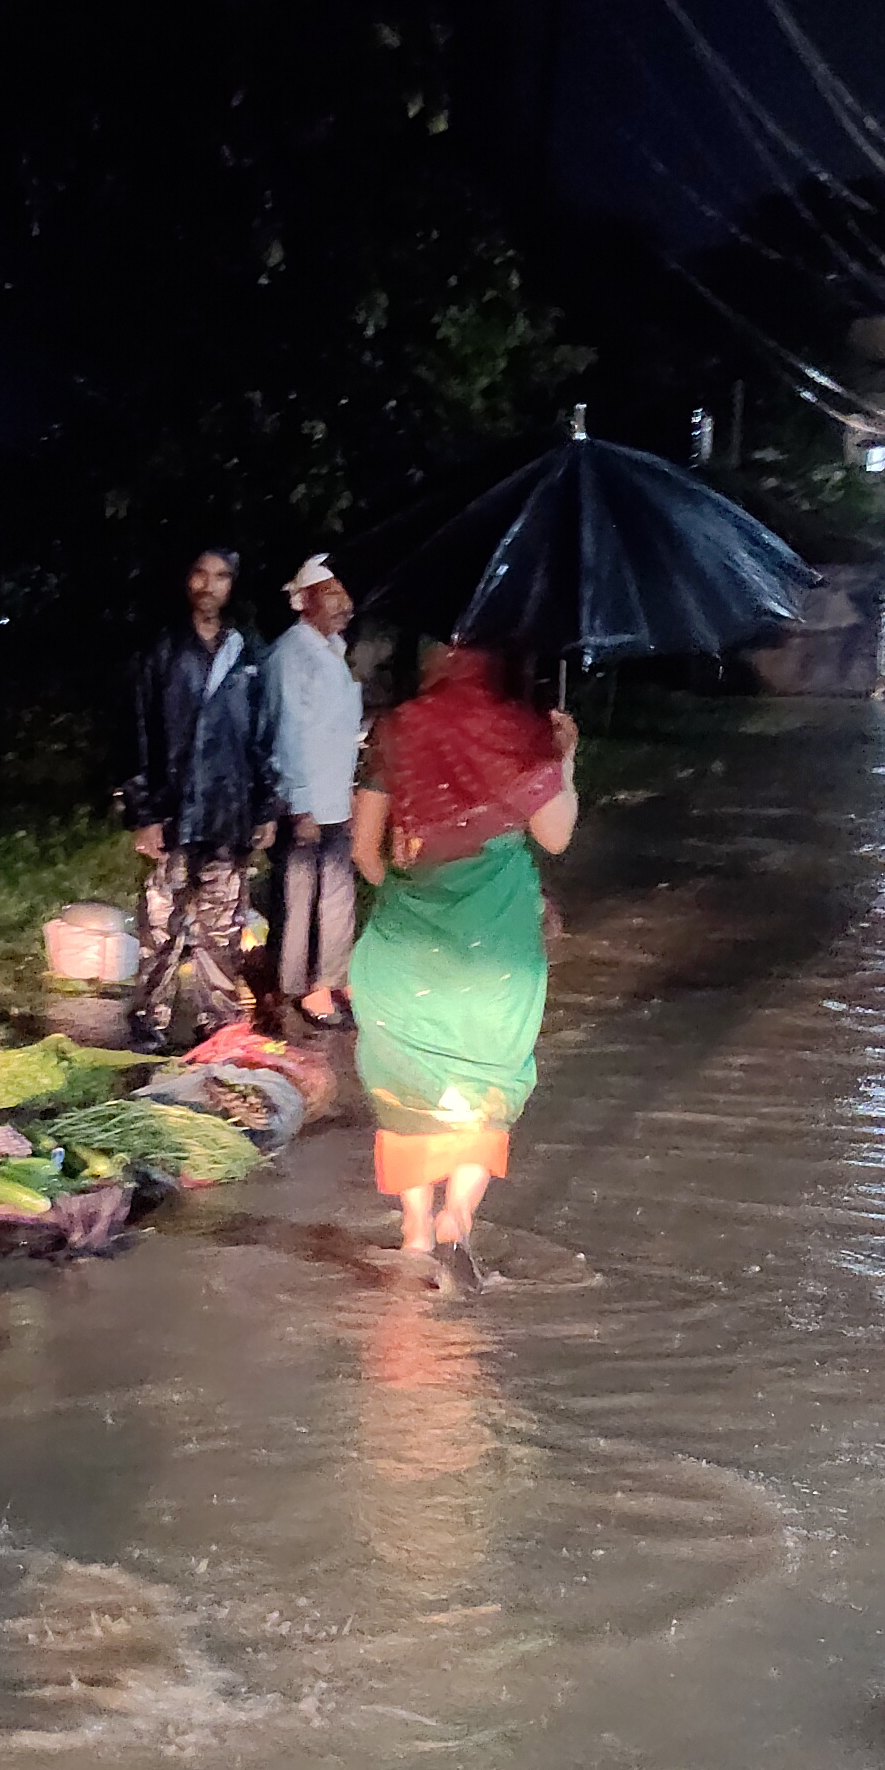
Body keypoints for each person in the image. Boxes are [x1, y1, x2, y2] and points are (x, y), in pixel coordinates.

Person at [350, 644, 578, 1295]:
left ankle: (416, 1232)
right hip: (496, 940)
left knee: (410, 1086)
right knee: (487, 1082)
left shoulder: (397, 728)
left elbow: (365, 852)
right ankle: (459, 1220)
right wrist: (563, 758)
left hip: (407, 940)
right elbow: (556, 836)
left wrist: (411, 897)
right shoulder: (522, 731)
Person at [119, 545, 280, 1047]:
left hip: (229, 811)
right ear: (187, 579)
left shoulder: (248, 650)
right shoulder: (161, 649)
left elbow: (262, 734)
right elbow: (138, 732)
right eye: (201, 574)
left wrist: (266, 807)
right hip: (173, 809)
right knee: (161, 924)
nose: (209, 585)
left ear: (233, 585)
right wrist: (144, 812)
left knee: (222, 927)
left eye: (221, 576)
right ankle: (148, 1019)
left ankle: (220, 1026)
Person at [266, 554, 365, 1027]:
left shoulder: (335, 650)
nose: (344, 604)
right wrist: (300, 801)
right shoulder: (291, 654)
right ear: (305, 600)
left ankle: (333, 977)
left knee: (338, 894)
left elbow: (335, 728)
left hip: (335, 795)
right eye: (331, 594)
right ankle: (300, 990)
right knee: (299, 897)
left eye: (345, 594)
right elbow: (286, 731)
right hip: (304, 798)